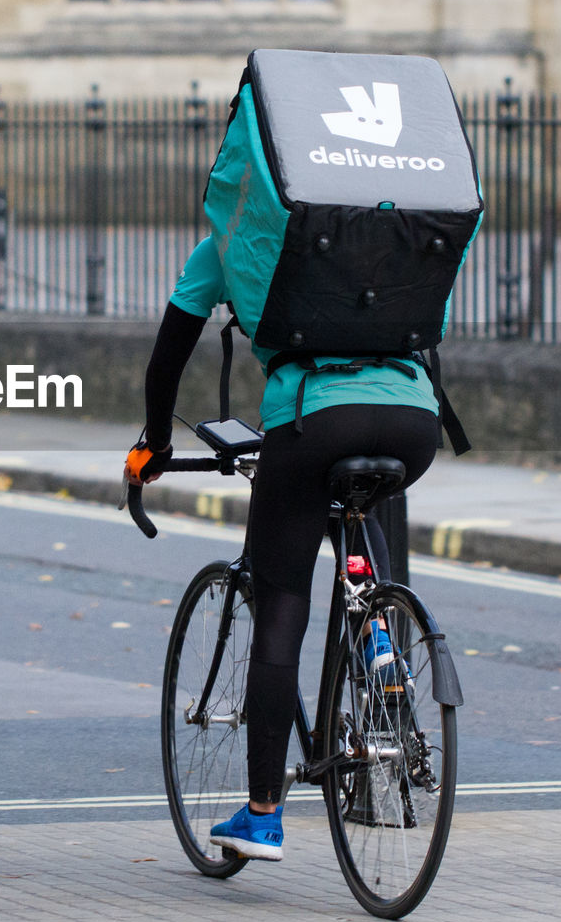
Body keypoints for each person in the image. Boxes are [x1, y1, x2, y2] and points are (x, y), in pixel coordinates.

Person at [124, 235, 442, 862]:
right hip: (415, 419)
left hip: (311, 421)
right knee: (352, 507)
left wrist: (155, 443)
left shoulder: (229, 241)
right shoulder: (392, 228)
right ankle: (379, 636)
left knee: (281, 603)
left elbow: (167, 360)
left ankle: (263, 814)